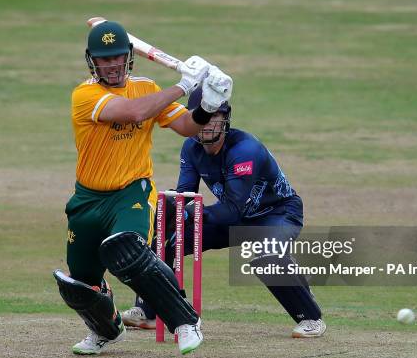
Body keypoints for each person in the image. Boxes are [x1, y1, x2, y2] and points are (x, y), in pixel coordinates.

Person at [52, 20, 233, 355]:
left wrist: (208, 104)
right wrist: (183, 86)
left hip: (131, 193)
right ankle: (107, 330)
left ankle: (184, 321)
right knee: (81, 282)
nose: (112, 65)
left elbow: (185, 126)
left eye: (118, 57)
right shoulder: (85, 95)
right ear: (92, 61)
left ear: (129, 57)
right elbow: (134, 113)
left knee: (128, 251)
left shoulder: (148, 88)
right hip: (87, 198)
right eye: (104, 59)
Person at [122, 86, 326, 338]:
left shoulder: (244, 150)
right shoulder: (191, 148)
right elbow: (186, 194)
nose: (206, 125)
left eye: (213, 119)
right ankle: (151, 311)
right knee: (167, 236)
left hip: (277, 214)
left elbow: (231, 209)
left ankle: (311, 318)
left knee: (265, 256)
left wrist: (191, 214)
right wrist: (170, 210)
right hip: (232, 217)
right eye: (201, 117)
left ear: (225, 120)